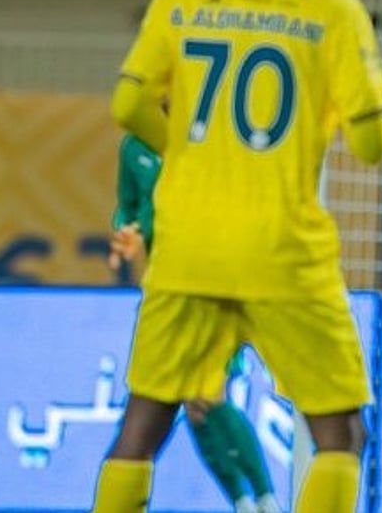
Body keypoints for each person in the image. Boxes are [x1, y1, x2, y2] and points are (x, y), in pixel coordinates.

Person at [90, 0, 382, 510]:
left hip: (190, 248)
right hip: (283, 251)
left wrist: (190, 151)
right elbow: (371, 144)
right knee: (340, 436)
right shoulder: (333, 12)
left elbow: (128, 104)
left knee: (142, 428)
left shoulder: (180, 1)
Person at [108, 132, 281, 513]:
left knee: (209, 393)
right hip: (167, 291)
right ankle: (245, 502)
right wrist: (128, 229)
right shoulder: (136, 146)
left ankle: (265, 499)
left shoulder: (212, 133)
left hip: (216, 282)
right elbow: (128, 208)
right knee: (196, 407)